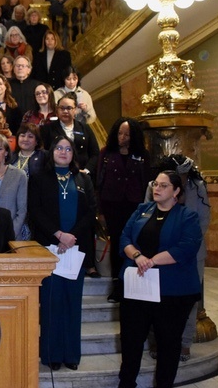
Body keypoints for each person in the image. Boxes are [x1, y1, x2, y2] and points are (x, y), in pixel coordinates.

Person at [117, 171, 202, 388]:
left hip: (172, 292)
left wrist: (152, 261)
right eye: (156, 184)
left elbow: (187, 248)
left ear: (176, 192)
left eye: (164, 185)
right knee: (131, 341)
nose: (157, 188)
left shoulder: (188, 216)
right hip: (138, 287)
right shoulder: (141, 210)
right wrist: (137, 256)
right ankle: (126, 384)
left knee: (168, 344)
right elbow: (125, 237)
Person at [29, 135, 97, 372]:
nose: (63, 152)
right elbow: (35, 212)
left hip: (75, 250)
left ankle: (71, 355)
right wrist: (58, 234)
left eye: (68, 149)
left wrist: (71, 237)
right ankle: (51, 355)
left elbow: (91, 212)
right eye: (59, 147)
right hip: (50, 248)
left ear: (73, 154)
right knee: (51, 302)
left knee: (72, 302)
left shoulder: (83, 179)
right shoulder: (39, 179)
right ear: (51, 152)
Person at [145, 155, 210, 362]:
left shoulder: (197, 186)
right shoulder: (153, 186)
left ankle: (184, 342)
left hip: (191, 254)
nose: (179, 178)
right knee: (156, 298)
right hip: (159, 254)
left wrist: (183, 247)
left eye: (182, 174)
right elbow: (146, 218)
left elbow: (203, 221)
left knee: (188, 300)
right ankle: (156, 340)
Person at [97, 117, 151, 302]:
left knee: (135, 243)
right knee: (118, 244)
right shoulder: (106, 153)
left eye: (127, 134)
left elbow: (146, 184)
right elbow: (100, 182)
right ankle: (118, 285)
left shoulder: (143, 155)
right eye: (120, 133)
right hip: (112, 205)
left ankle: (134, 283)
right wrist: (100, 212)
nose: (123, 137)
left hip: (135, 206)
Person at [40, 92, 99, 177]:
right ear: (57, 110)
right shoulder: (47, 129)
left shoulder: (85, 128)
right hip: (55, 174)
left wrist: (87, 170)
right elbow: (43, 153)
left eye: (69, 108)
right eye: (62, 108)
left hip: (82, 174)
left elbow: (95, 153)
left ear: (75, 110)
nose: (65, 111)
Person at [0, 133, 28, 240]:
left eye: (0, 149)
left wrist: (10, 232)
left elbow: (22, 211)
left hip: (12, 234)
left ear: (6, 152)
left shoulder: (19, 175)